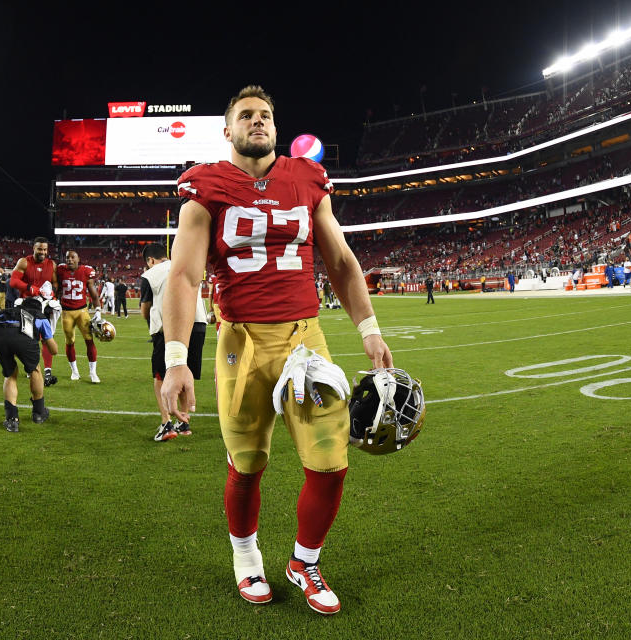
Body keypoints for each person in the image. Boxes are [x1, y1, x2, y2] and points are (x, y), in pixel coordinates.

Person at [159, 85, 392, 615]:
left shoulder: (307, 178)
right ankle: (246, 556)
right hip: (240, 340)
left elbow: (341, 259)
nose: (257, 121)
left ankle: (303, 561)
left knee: (331, 462)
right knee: (246, 465)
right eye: (246, 115)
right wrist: (177, 361)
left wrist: (369, 328)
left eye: (265, 115)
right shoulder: (206, 184)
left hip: (306, 338)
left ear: (276, 126)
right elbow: (185, 274)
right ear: (228, 130)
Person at [140, 243, 207, 441]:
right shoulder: (184, 265)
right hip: (198, 324)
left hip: (170, 327)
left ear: (150, 260)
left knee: (161, 375)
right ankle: (184, 422)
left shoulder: (150, 275)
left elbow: (146, 309)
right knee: (187, 373)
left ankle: (166, 422)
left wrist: (151, 326)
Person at [0, 296, 57, 432]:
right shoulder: (39, 316)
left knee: (10, 374)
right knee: (35, 370)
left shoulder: (8, 311)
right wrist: (43, 340)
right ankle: (39, 413)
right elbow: (54, 350)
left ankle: (12, 419)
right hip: (23, 340)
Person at [9, 237, 60, 386]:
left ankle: (48, 371)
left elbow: (55, 282)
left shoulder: (51, 264)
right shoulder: (24, 262)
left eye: (44, 249)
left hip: (45, 305)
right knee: (29, 338)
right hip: (28, 305)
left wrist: (52, 291)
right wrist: (30, 288)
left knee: (47, 338)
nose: (42, 252)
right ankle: (31, 367)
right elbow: (13, 281)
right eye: (40, 249)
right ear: (34, 248)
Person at [56, 249, 102, 383]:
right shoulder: (60, 270)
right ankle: (74, 371)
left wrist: (98, 309)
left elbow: (93, 293)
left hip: (82, 312)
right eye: (67, 257)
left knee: (89, 340)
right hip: (66, 312)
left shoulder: (86, 271)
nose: (69, 259)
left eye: (72, 257)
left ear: (78, 259)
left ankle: (93, 372)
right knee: (69, 342)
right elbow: (57, 288)